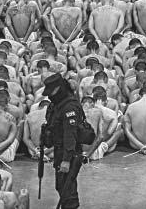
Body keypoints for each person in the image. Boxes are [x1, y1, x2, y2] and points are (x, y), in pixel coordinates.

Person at [41, 73, 85, 209]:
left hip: (69, 153)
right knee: (61, 185)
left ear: (59, 89)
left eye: (52, 92)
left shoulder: (69, 107)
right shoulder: (57, 104)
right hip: (59, 150)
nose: (50, 95)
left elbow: (70, 135)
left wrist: (66, 160)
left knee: (67, 189)